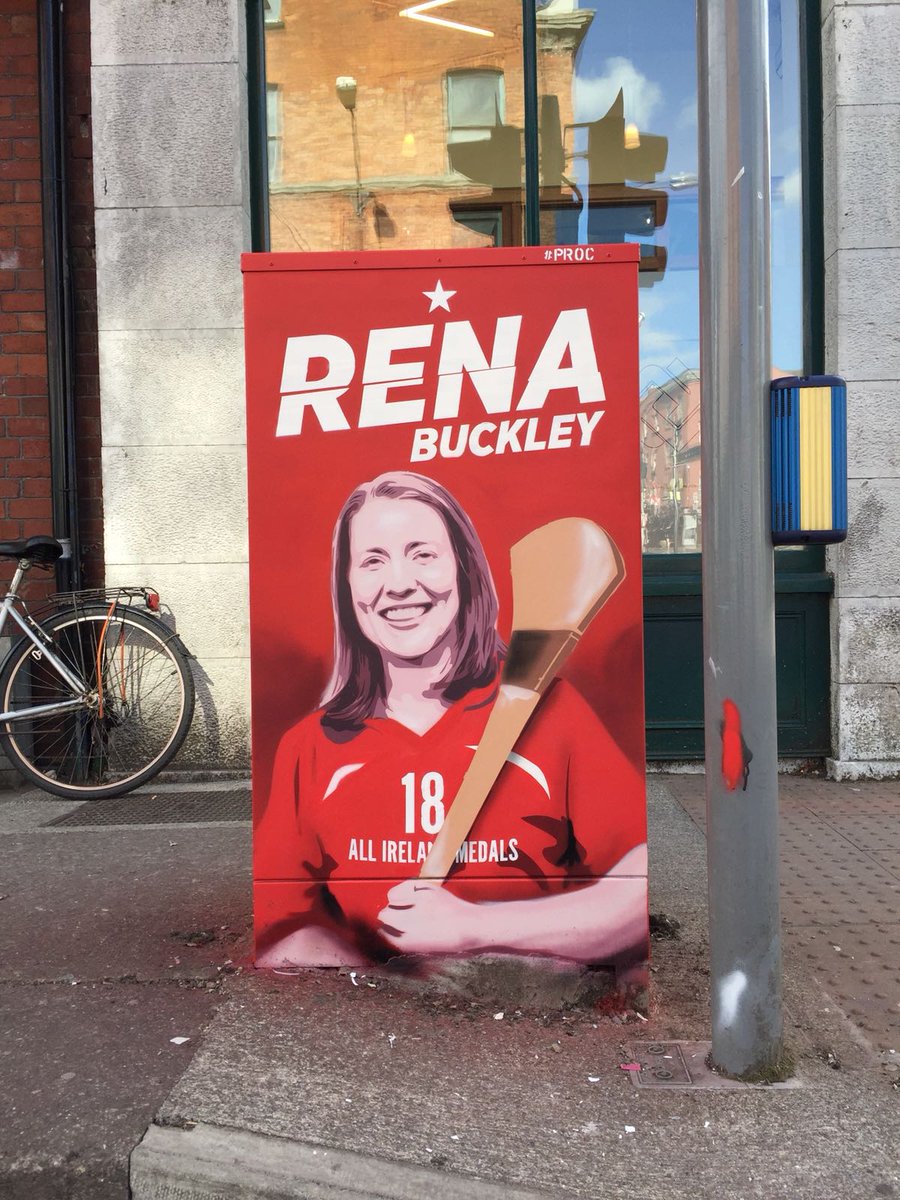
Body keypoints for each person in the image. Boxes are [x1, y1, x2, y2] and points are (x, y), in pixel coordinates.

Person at [256, 471, 647, 968]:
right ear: (347, 586)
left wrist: (471, 927)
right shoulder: (308, 747)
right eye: (373, 561)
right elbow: (282, 928)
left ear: (465, 571)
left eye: (423, 554)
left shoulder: (551, 712)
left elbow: (636, 887)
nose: (398, 584)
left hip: (528, 1022)